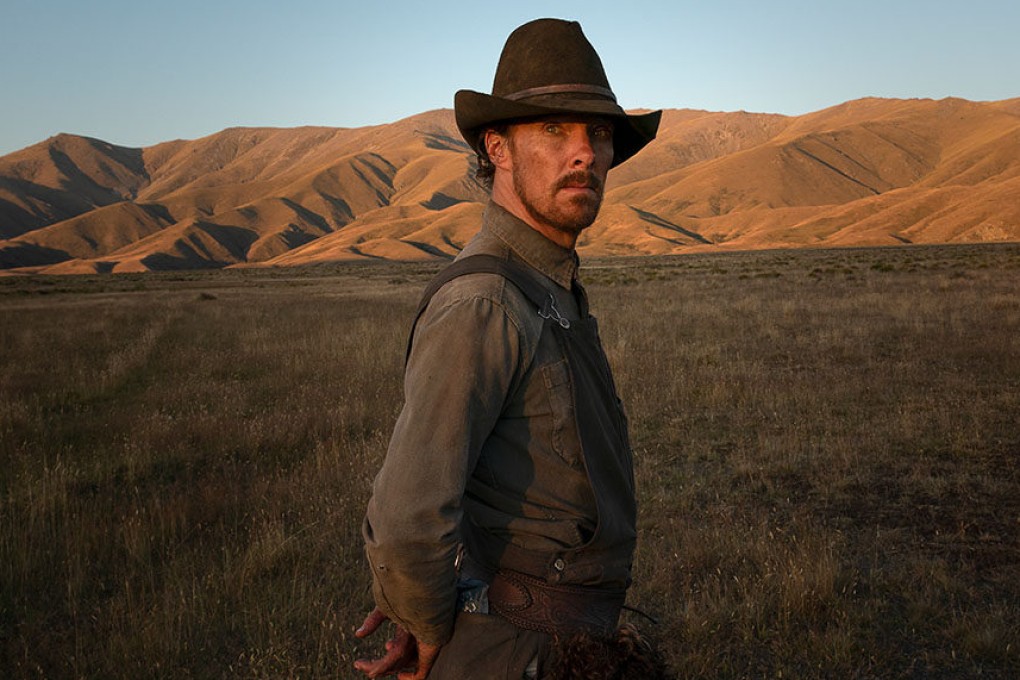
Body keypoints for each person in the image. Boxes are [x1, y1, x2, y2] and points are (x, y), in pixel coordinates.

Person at [354, 18, 662, 679]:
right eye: (555, 129)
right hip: (516, 655)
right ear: (498, 147)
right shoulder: (485, 302)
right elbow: (407, 516)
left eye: (598, 133)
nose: (584, 152)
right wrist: (431, 625)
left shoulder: (548, 285)